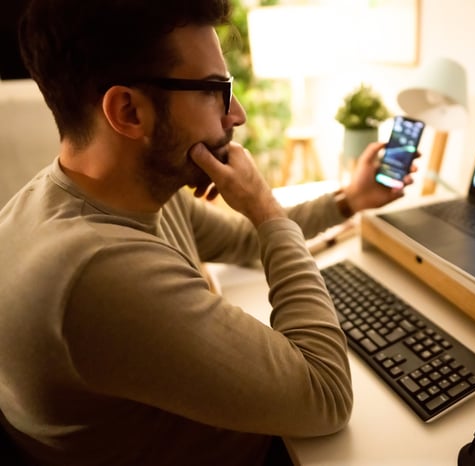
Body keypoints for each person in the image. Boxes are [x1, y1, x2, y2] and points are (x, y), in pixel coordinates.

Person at [0, 1, 418, 465]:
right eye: (217, 90)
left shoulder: (104, 191)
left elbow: (241, 242)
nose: (235, 114)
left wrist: (349, 200)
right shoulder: (97, 270)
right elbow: (327, 394)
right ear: (128, 111)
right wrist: (263, 206)